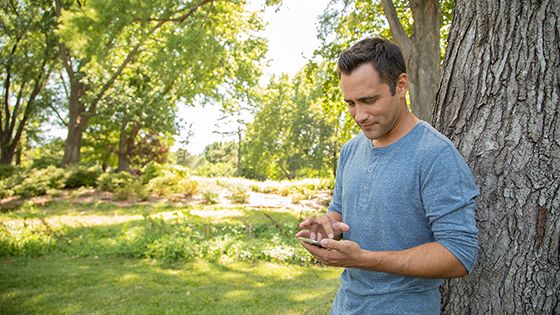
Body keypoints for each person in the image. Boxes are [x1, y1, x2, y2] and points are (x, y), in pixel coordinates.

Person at [296, 37, 479, 314]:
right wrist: (327, 227)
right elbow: (340, 211)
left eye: (369, 100)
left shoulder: (435, 154)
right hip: (345, 305)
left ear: (401, 85)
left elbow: (459, 255)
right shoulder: (350, 150)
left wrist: (365, 259)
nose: (359, 115)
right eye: (351, 103)